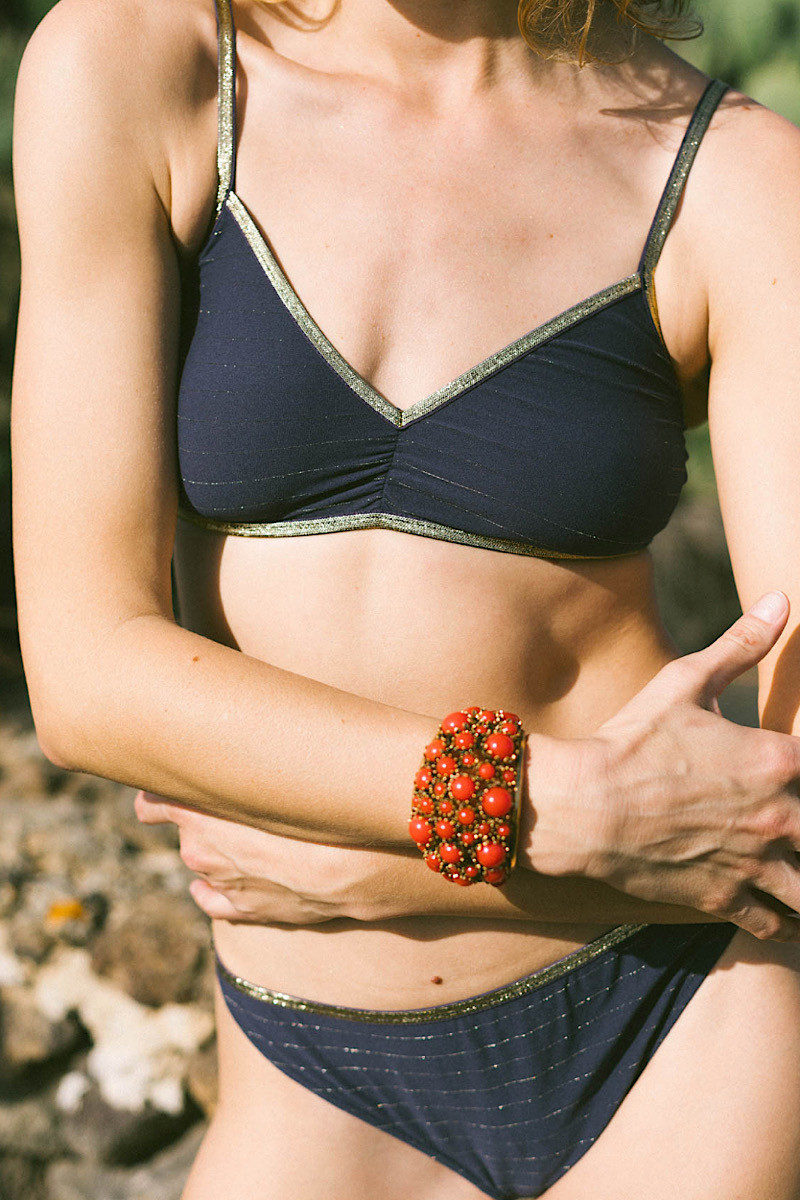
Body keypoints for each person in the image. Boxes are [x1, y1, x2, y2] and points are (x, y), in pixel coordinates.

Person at [11, 0, 800, 1194]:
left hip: (679, 1029)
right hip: (303, 1076)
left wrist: (372, 866)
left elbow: (782, 811)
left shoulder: (736, 179)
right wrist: (559, 807)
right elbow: (85, 677)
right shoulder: (141, 65)